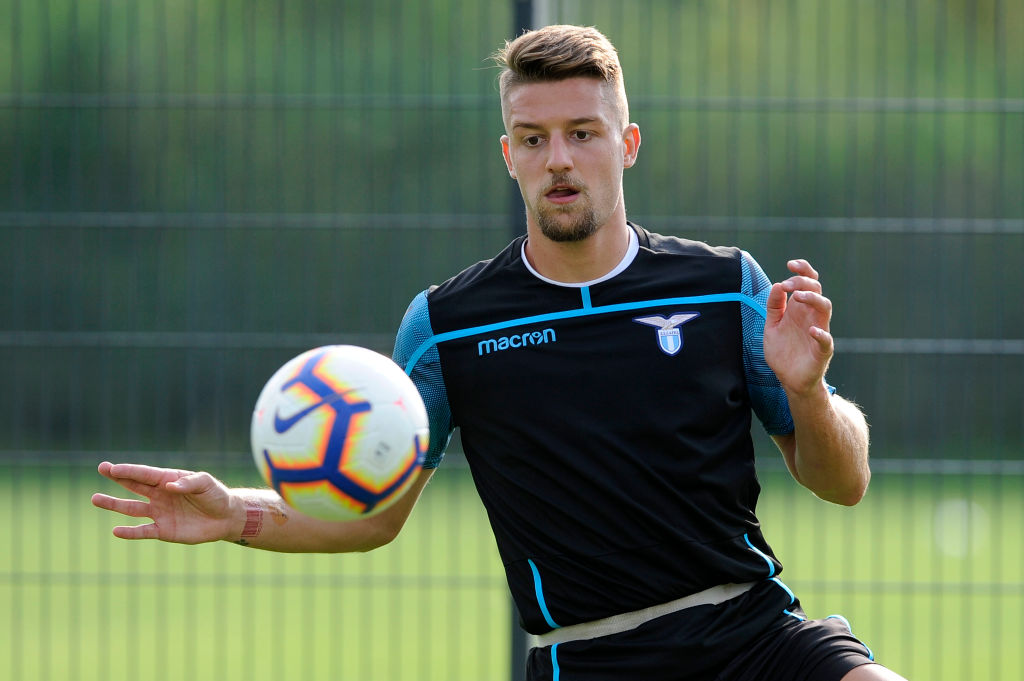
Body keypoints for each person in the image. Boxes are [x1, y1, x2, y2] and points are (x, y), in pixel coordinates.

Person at [93, 24, 907, 681]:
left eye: (581, 133)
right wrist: (236, 512)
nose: (558, 158)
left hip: (754, 633)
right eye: (534, 137)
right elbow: (376, 517)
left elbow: (845, 481)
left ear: (625, 144)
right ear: (508, 153)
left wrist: (810, 391)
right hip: (587, 658)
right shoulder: (449, 323)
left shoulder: (725, 285)